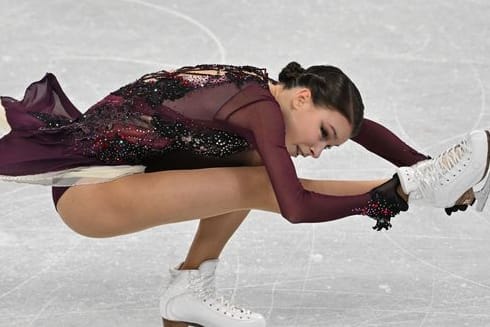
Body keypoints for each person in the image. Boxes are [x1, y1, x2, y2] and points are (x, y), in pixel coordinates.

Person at [0, 62, 488, 327]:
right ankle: (421, 189)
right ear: (302, 97)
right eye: (322, 134)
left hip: (124, 178)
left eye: (328, 144)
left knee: (252, 161)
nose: (318, 150)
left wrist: (421, 161)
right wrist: (401, 192)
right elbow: (294, 206)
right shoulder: (261, 111)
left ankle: (188, 291)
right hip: (94, 196)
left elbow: (363, 129)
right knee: (260, 180)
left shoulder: (270, 96)